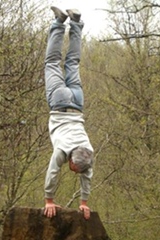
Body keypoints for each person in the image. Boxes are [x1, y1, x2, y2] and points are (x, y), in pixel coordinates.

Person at [44, 6, 94, 220]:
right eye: (74, 169)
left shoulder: (88, 153)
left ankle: (76, 22)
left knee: (73, 62)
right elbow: (53, 172)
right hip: (59, 102)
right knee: (52, 62)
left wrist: (84, 203)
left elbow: (87, 176)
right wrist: (49, 199)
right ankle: (59, 21)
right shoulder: (63, 151)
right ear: (72, 160)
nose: (74, 171)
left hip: (77, 102)